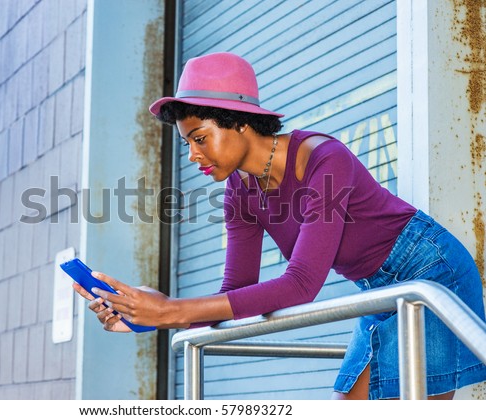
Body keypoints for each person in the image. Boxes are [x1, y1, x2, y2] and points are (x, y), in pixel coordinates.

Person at [72, 52, 486, 400]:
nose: (193, 155)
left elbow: (302, 284)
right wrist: (150, 313)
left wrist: (172, 312)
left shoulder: (325, 159)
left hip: (431, 272)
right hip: (378, 290)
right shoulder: (239, 191)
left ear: (238, 120)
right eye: (188, 144)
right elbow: (235, 292)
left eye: (200, 137)